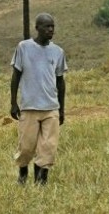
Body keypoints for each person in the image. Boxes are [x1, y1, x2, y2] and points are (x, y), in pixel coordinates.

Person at [10, 13, 67, 185]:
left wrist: (62, 109)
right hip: (29, 106)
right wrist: (13, 102)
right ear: (37, 28)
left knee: (48, 147)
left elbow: (60, 81)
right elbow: (16, 76)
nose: (50, 30)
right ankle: (22, 173)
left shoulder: (58, 51)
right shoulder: (24, 47)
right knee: (26, 147)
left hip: (51, 107)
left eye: (52, 26)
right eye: (47, 26)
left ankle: (41, 180)